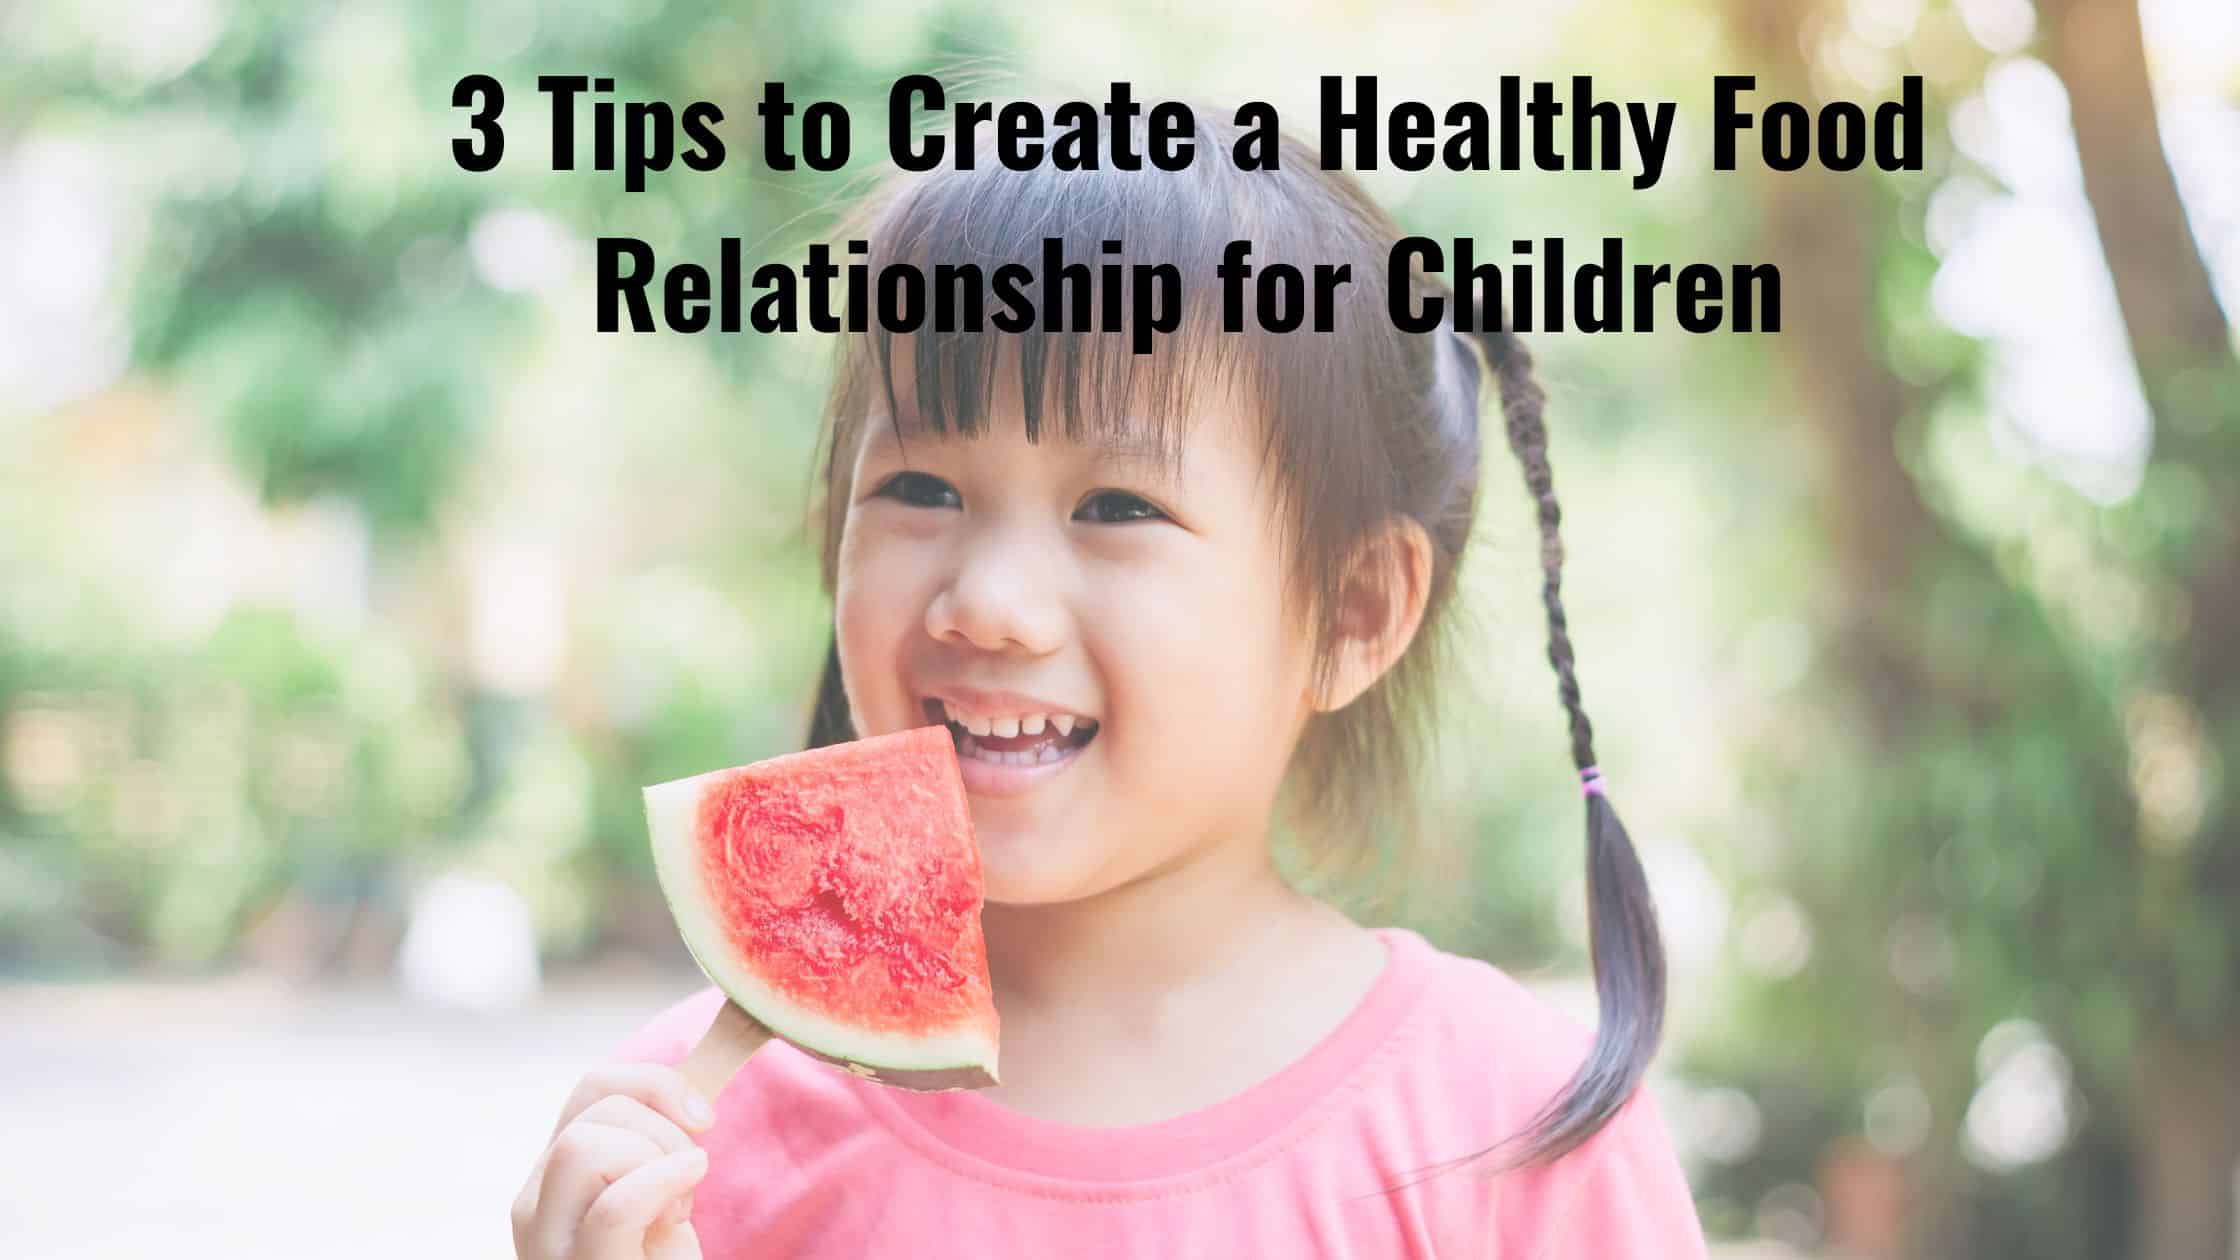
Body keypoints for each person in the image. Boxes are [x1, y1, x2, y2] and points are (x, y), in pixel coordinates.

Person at [511, 105, 1708, 1259]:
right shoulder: (693, 1131)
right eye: (919, 490)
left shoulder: (1511, 1128)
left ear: (1350, 612)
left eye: (1117, 507)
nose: (986, 601)